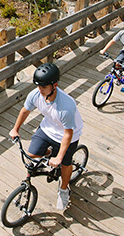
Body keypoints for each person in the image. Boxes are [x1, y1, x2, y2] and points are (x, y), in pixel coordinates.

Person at [9, 63, 84, 210]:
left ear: (54, 85)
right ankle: (49, 152)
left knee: (65, 165)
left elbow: (68, 134)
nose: (40, 90)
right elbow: (25, 111)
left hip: (68, 134)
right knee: (31, 154)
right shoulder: (36, 95)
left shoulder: (66, 107)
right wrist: (15, 129)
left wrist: (59, 158)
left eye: (43, 87)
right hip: (48, 129)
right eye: (38, 86)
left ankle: (63, 189)